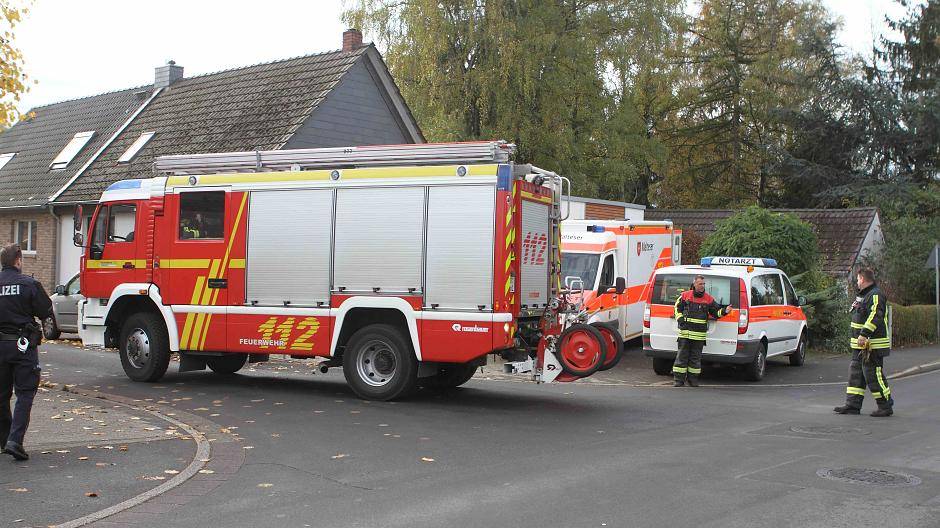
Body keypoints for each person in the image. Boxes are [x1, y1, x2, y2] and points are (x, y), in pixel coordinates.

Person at [0, 243, 53, 460]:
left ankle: (5, 440)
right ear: (18, 261)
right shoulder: (29, 284)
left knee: (1, 395)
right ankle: (15, 441)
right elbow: (46, 310)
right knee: (25, 393)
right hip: (22, 347)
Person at [834, 268, 894, 417]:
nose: (857, 282)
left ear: (862, 279)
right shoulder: (863, 295)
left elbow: (876, 315)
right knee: (856, 374)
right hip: (860, 345)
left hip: (872, 345)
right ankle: (852, 405)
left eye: (857, 279)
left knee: (873, 375)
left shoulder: (876, 295)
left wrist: (864, 334)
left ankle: (885, 405)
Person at [673, 275, 728, 387]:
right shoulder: (685, 295)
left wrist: (725, 311)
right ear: (694, 284)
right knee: (681, 357)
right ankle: (678, 380)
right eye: (700, 284)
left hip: (699, 336)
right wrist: (680, 319)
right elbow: (677, 308)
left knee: (695, 359)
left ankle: (693, 380)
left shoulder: (708, 299)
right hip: (685, 334)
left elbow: (715, 313)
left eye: (703, 284)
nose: (702, 286)